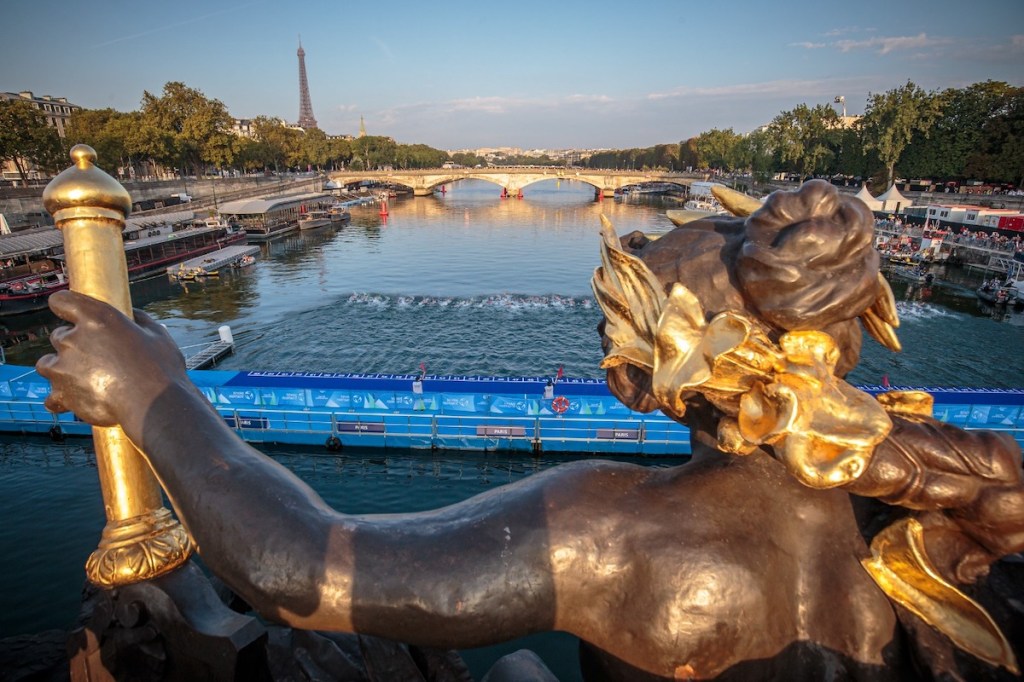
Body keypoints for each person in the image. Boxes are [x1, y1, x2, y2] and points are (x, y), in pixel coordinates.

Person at [36, 181, 1023, 681]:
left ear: (648, 374)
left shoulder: (611, 523)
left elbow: (303, 566)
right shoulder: (919, 499)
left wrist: (155, 391)